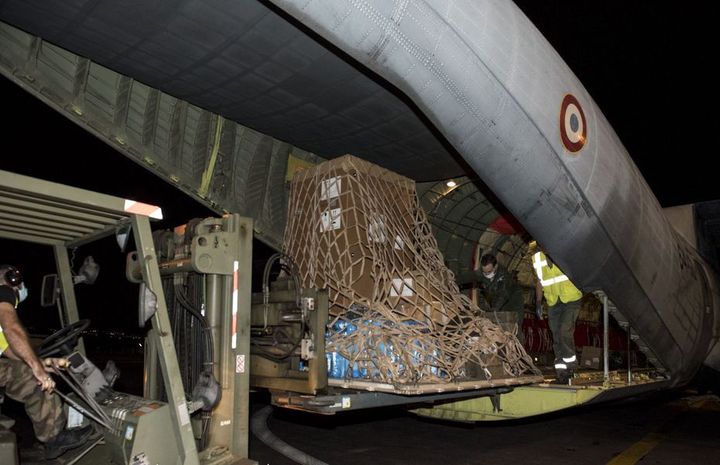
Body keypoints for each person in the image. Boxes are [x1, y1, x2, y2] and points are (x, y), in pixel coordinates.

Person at [0, 264, 93, 459]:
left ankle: (53, 437)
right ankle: (54, 437)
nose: (22, 287)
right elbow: (12, 329)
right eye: (19, 281)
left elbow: (10, 350)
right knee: (32, 377)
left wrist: (41, 362)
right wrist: (37, 369)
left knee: (31, 369)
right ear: (12, 279)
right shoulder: (4, 292)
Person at [532, 251, 583, 384]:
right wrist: (538, 302)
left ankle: (571, 368)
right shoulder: (537, 258)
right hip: (553, 301)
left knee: (564, 331)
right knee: (556, 335)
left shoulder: (562, 246)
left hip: (571, 297)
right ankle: (561, 373)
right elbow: (539, 281)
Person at [473, 253, 526, 343]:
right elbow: (471, 279)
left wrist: (492, 311)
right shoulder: (482, 274)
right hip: (500, 303)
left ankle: (518, 350)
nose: (486, 274)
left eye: (489, 272)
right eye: (484, 272)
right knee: (496, 327)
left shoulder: (504, 277)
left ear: (495, 267)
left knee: (514, 328)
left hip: (514, 303)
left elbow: (503, 295)